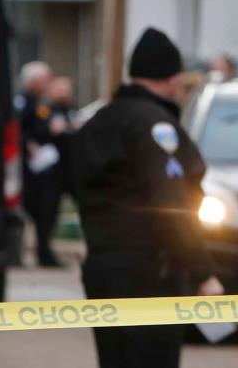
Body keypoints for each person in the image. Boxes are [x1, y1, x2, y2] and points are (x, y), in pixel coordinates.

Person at [74, 27, 224, 368]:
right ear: (170, 78)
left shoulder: (98, 121)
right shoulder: (156, 127)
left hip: (102, 267)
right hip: (149, 274)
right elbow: (172, 205)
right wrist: (203, 272)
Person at [15, 60, 63, 267]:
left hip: (46, 167)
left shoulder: (41, 103)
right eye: (45, 79)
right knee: (30, 211)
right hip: (28, 169)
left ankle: (44, 252)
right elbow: (17, 130)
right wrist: (28, 145)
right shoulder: (22, 102)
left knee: (46, 213)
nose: (48, 83)